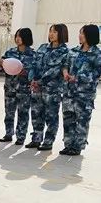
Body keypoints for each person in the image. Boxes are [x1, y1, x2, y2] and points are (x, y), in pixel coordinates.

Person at [60, 24, 101, 155]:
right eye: (80, 33)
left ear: (90, 35)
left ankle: (77, 147)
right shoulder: (73, 51)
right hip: (69, 93)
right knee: (68, 120)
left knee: (82, 122)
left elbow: (97, 73)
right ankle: (68, 145)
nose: (80, 36)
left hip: (84, 96)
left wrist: (77, 78)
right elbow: (65, 64)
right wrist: (65, 72)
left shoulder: (98, 54)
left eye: (82, 33)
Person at [27, 23, 68, 151]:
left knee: (51, 116)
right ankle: (36, 139)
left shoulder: (64, 52)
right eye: (50, 31)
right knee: (36, 114)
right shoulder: (42, 47)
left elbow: (55, 70)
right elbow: (33, 64)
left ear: (61, 34)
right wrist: (32, 79)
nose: (51, 34)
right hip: (37, 88)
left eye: (54, 32)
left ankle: (48, 141)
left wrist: (39, 81)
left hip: (52, 90)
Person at [0, 28, 36, 145]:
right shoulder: (10, 53)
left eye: (20, 36)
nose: (17, 38)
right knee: (9, 112)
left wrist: (26, 73)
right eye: (16, 36)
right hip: (10, 87)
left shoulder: (33, 54)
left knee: (23, 113)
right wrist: (1, 64)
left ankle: (21, 136)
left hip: (24, 89)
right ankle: (8, 133)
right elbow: (1, 70)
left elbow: (35, 72)